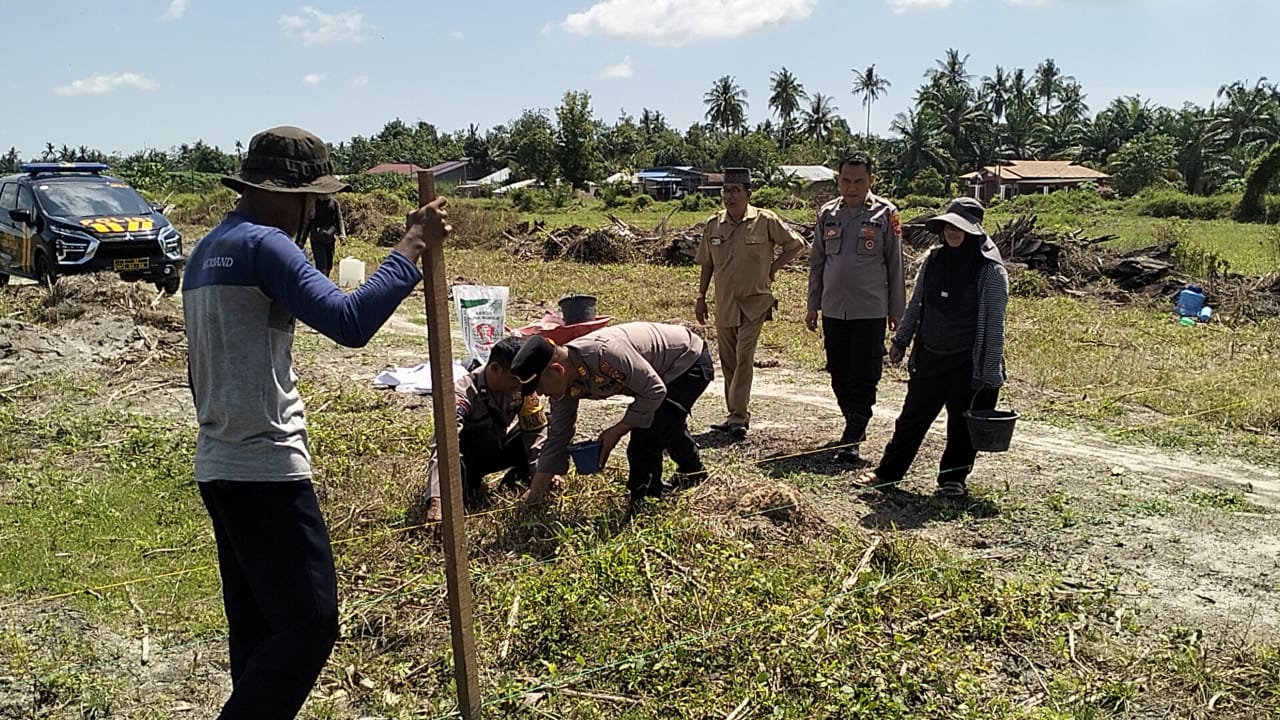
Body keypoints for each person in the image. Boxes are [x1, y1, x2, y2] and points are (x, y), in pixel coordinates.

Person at [182, 125, 449, 719]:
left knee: (259, 634)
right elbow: (350, 321)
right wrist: (409, 246)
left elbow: (202, 370)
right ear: (296, 196)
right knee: (309, 625)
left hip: (219, 461)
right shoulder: (266, 245)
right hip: (265, 465)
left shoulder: (207, 249)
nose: (314, 214)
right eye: (315, 201)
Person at [854, 197, 1008, 498]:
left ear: (974, 232)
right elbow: (916, 304)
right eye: (949, 226)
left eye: (959, 228)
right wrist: (901, 340)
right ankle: (887, 474)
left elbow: (994, 327)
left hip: (967, 362)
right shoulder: (934, 259)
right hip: (930, 355)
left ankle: (953, 479)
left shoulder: (990, 270)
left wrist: (990, 375)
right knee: (912, 418)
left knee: (961, 425)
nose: (952, 233)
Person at [510, 322, 713, 512]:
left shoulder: (604, 354)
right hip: (656, 378)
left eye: (540, 387)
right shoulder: (564, 385)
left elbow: (654, 392)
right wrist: (534, 494)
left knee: (647, 436)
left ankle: (644, 505)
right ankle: (692, 472)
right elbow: (558, 438)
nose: (542, 394)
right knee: (665, 422)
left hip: (686, 361)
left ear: (557, 370)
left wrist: (618, 430)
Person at [806, 153, 905, 466]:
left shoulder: (886, 214)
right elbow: (817, 262)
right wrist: (812, 304)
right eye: (846, 181)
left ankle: (852, 437)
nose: (851, 187)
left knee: (864, 373)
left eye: (858, 181)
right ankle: (855, 422)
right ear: (838, 180)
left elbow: (895, 264)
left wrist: (896, 311)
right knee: (838, 371)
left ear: (871, 180)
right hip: (834, 308)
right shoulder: (827, 214)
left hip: (870, 309)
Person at [695, 167, 805, 439]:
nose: (729, 196)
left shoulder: (765, 220)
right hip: (724, 304)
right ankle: (734, 412)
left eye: (735, 191)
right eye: (725, 191)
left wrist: (772, 269)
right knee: (729, 361)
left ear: (748, 193)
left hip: (755, 302)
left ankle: (738, 418)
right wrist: (700, 297)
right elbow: (707, 264)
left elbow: (796, 245)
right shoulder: (713, 225)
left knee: (744, 358)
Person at [421, 335, 550, 523]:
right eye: (515, 379)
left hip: (496, 450)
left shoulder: (522, 389)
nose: (520, 386)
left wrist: (544, 473)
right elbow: (444, 446)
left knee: (550, 424)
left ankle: (516, 483)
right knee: (478, 437)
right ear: (495, 369)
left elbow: (535, 432)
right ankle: (465, 488)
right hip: (466, 461)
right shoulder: (462, 392)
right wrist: (438, 499)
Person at [308, 194, 346, 278]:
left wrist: (342, 234)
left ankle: (326, 280)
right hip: (317, 238)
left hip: (330, 238)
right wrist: (302, 240)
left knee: (329, 265)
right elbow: (308, 222)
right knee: (321, 265)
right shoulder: (313, 204)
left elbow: (339, 219)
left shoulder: (334, 203)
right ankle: (322, 284)